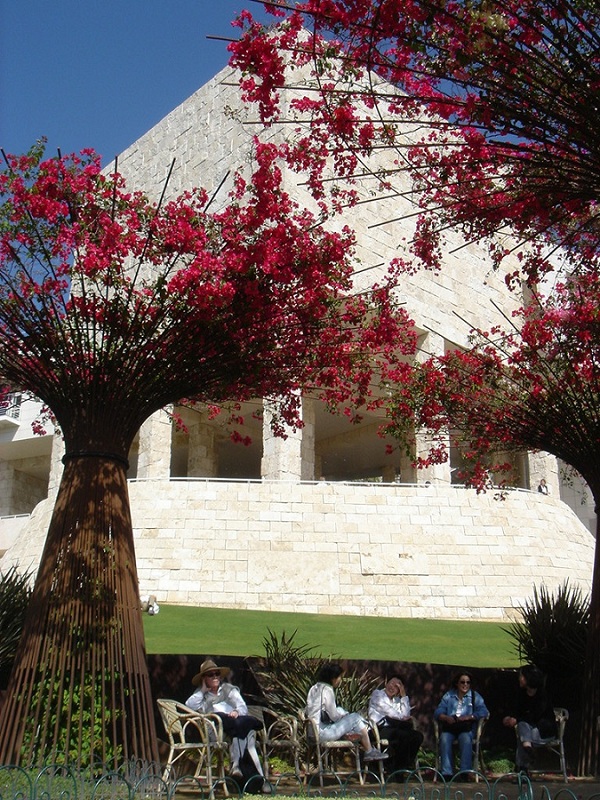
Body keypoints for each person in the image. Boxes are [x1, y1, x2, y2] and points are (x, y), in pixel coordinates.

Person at [186, 658, 266, 786]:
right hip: (215, 731)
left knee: (244, 732)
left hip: (233, 727)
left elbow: (242, 706)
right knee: (245, 733)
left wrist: (236, 712)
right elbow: (189, 706)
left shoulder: (228, 689)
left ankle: (238, 767)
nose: (215, 677)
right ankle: (258, 778)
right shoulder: (200, 695)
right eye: (210, 675)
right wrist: (202, 690)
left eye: (217, 674)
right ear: (204, 678)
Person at [306, 662, 388, 762]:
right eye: (340, 677)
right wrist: (346, 717)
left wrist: (343, 715)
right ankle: (369, 750)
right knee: (355, 717)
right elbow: (334, 716)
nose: (341, 680)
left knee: (342, 710)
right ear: (333, 678)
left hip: (311, 731)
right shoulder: (327, 690)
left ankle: (352, 733)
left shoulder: (314, 687)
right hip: (322, 734)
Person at [502, 664, 557, 774]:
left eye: (521, 676)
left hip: (542, 732)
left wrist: (517, 720)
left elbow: (534, 715)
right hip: (527, 732)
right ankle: (527, 750)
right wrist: (510, 718)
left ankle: (522, 770)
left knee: (522, 732)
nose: (519, 678)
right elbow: (517, 711)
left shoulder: (542, 696)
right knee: (523, 732)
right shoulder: (521, 694)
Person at [434, 671, 489, 779]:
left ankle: (464, 772)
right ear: (457, 683)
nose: (465, 685)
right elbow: (438, 711)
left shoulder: (474, 696)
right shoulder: (449, 695)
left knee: (465, 738)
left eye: (468, 682)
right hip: (451, 726)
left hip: (466, 728)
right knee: (444, 738)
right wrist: (446, 717)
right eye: (462, 682)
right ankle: (447, 773)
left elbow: (484, 711)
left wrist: (470, 717)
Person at [368, 675, 424, 773]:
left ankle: (399, 766)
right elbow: (390, 712)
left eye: (397, 686)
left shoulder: (397, 701)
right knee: (404, 735)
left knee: (418, 736)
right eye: (391, 683)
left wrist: (403, 696)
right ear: (386, 683)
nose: (392, 687)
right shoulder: (377, 694)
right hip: (378, 729)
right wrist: (402, 717)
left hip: (395, 729)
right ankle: (397, 769)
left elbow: (406, 714)